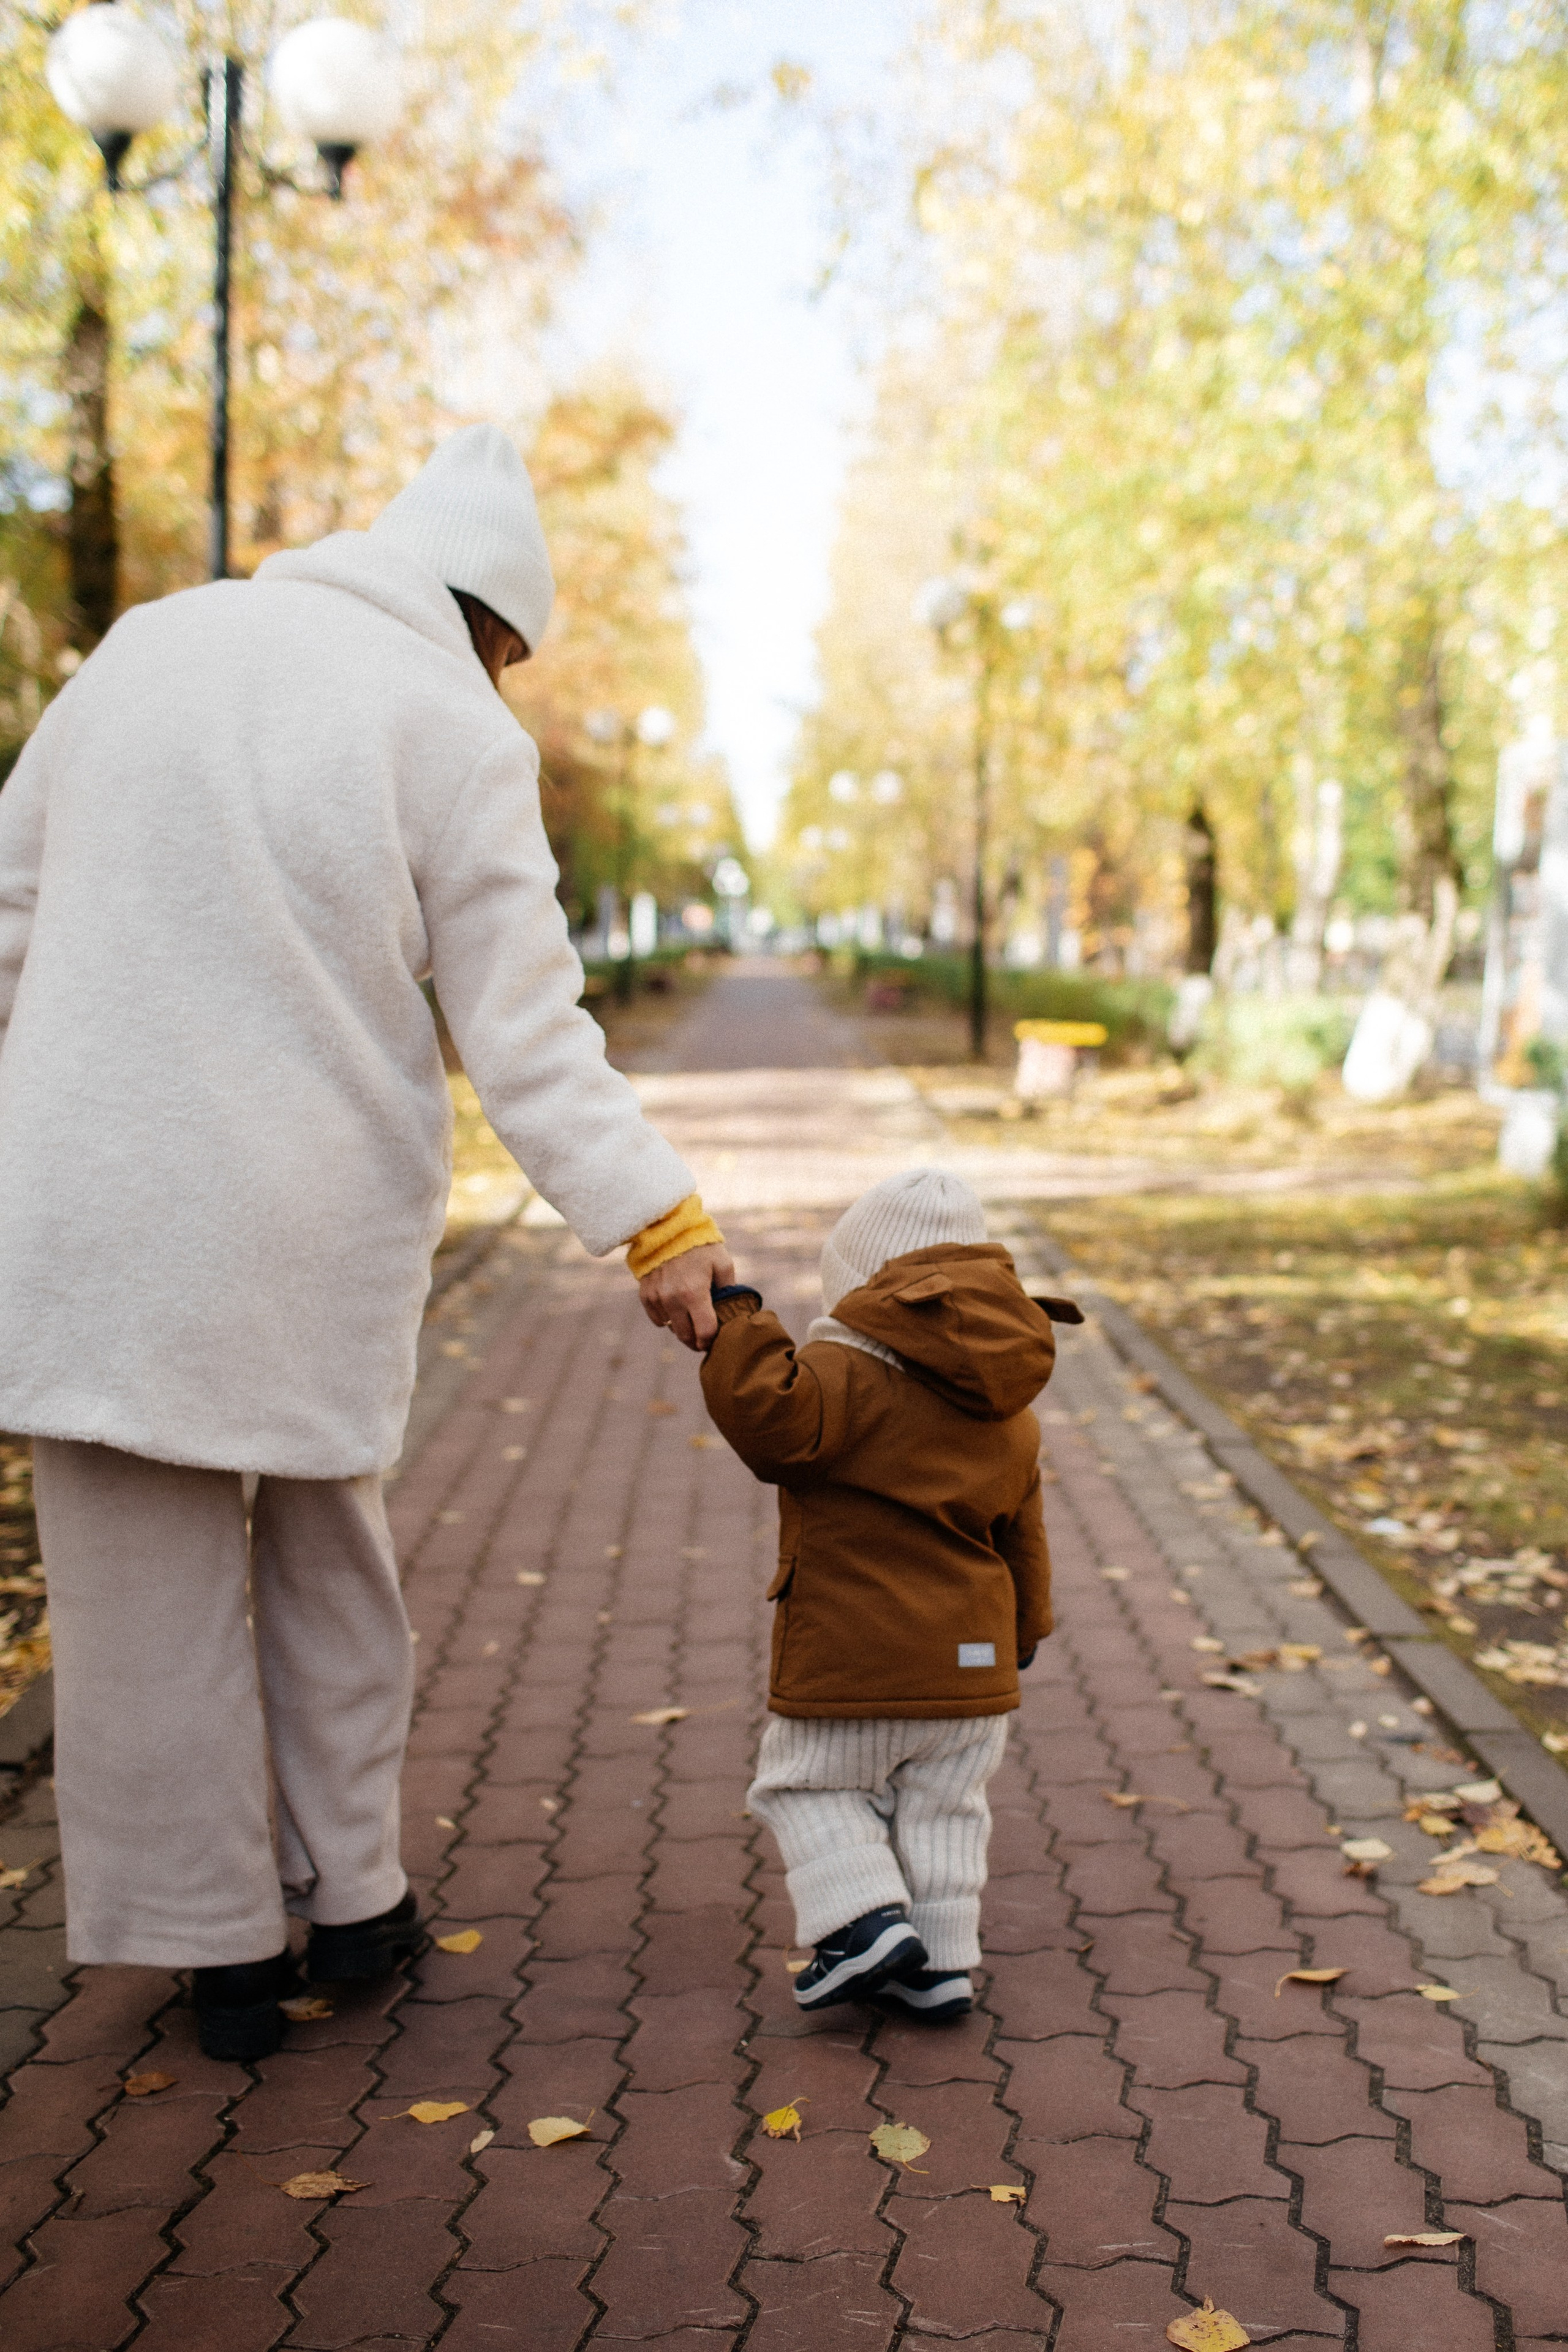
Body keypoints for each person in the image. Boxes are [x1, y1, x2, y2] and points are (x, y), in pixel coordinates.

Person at [0, 424, 731, 2059]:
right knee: (327, 1563)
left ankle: (214, 1954)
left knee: (135, 1604)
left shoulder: (145, 646)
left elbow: (8, 924)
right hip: (298, 1227)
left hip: (87, 1212)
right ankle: (353, 1898)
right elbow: (526, 1032)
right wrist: (659, 1224)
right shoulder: (450, 727)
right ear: (491, 625)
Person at [699, 1168, 1072, 2022]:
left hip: (854, 1657)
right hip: (974, 1669)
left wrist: (740, 1322)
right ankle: (939, 1965)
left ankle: (861, 1922)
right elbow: (1025, 1533)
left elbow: (769, 1425)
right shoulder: (1009, 1406)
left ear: (862, 1281)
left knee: (806, 1786)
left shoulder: (841, 1374)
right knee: (945, 1811)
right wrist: (1024, 1632)